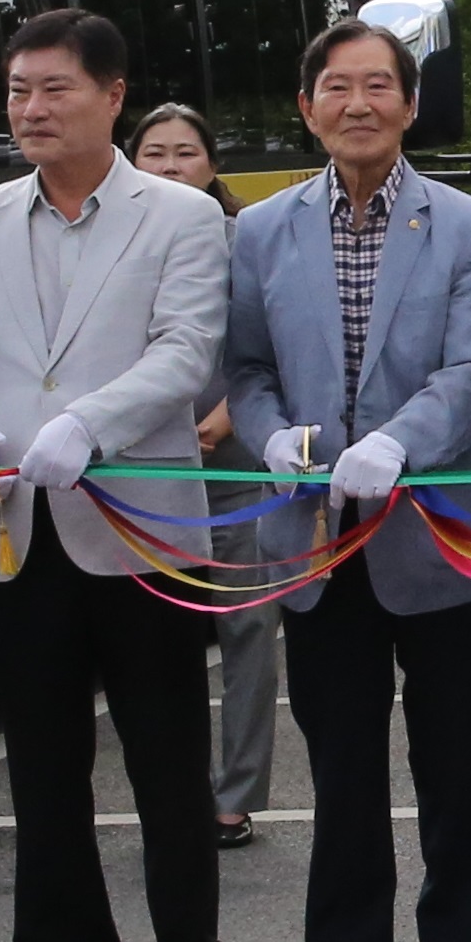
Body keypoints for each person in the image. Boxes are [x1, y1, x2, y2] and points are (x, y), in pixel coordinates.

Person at [0, 9, 233, 942]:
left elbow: (186, 351)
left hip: (140, 523)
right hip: (15, 522)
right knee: (44, 767)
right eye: (18, 89)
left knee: (167, 761)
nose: (32, 108)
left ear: (113, 94)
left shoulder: (179, 214)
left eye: (54, 87)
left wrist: (89, 424)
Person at [230, 18, 471, 942]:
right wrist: (269, 434)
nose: (358, 104)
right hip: (316, 538)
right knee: (343, 768)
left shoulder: (468, 227)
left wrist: (397, 441)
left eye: (378, 86)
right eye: (337, 87)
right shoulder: (261, 230)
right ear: (307, 106)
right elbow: (245, 368)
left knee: (460, 768)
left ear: (409, 103)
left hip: (434, 529)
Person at [136, 101, 279, 855]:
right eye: (154, 152)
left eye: (185, 152)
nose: (169, 166)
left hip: (231, 466)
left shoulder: (244, 239)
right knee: (155, 640)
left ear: (213, 164)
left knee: (247, 628)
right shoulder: (119, 238)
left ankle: (235, 795)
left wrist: (226, 418)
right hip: (141, 469)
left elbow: (268, 344)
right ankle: (171, 791)